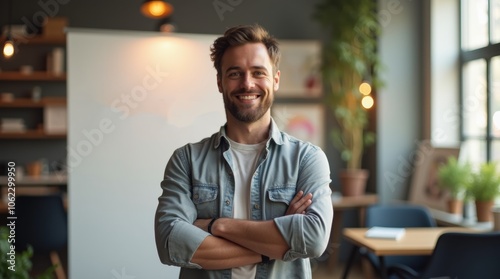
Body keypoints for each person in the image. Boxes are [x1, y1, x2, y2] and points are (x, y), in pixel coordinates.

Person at [155, 24, 333, 279]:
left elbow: (314, 240)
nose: (247, 84)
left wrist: (217, 226)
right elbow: (170, 244)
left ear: (276, 79)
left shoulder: (307, 159)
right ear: (220, 82)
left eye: (258, 72)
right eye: (235, 73)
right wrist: (278, 243)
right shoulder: (186, 160)